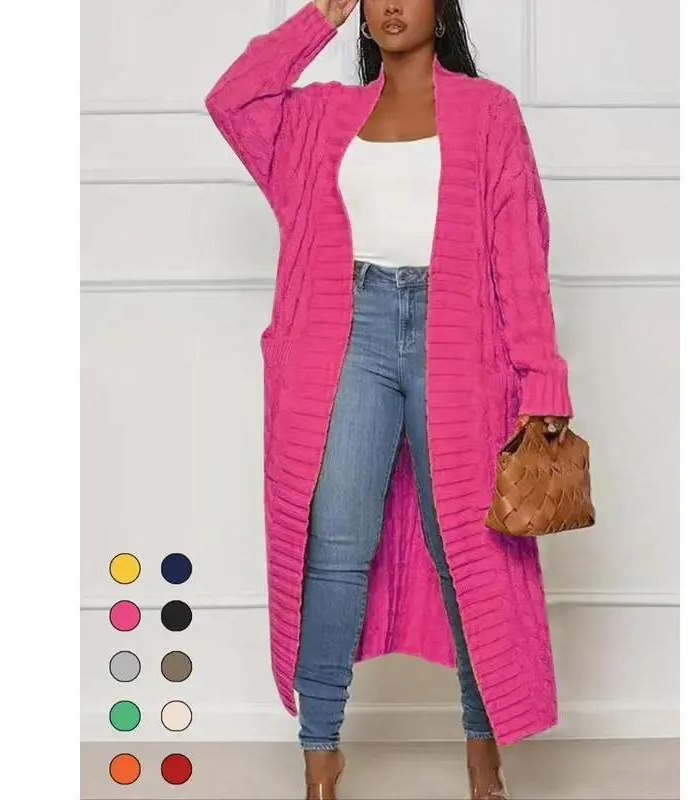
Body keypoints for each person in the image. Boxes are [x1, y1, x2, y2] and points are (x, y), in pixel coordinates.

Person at [205, 1, 573, 797]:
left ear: (441, 8)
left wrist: (542, 379)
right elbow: (232, 100)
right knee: (335, 545)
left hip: (461, 341)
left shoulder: (489, 111)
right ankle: (320, 752)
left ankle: (481, 747)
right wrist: (318, 18)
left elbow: (521, 252)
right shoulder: (320, 117)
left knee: (468, 548)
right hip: (348, 334)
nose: (393, 3)